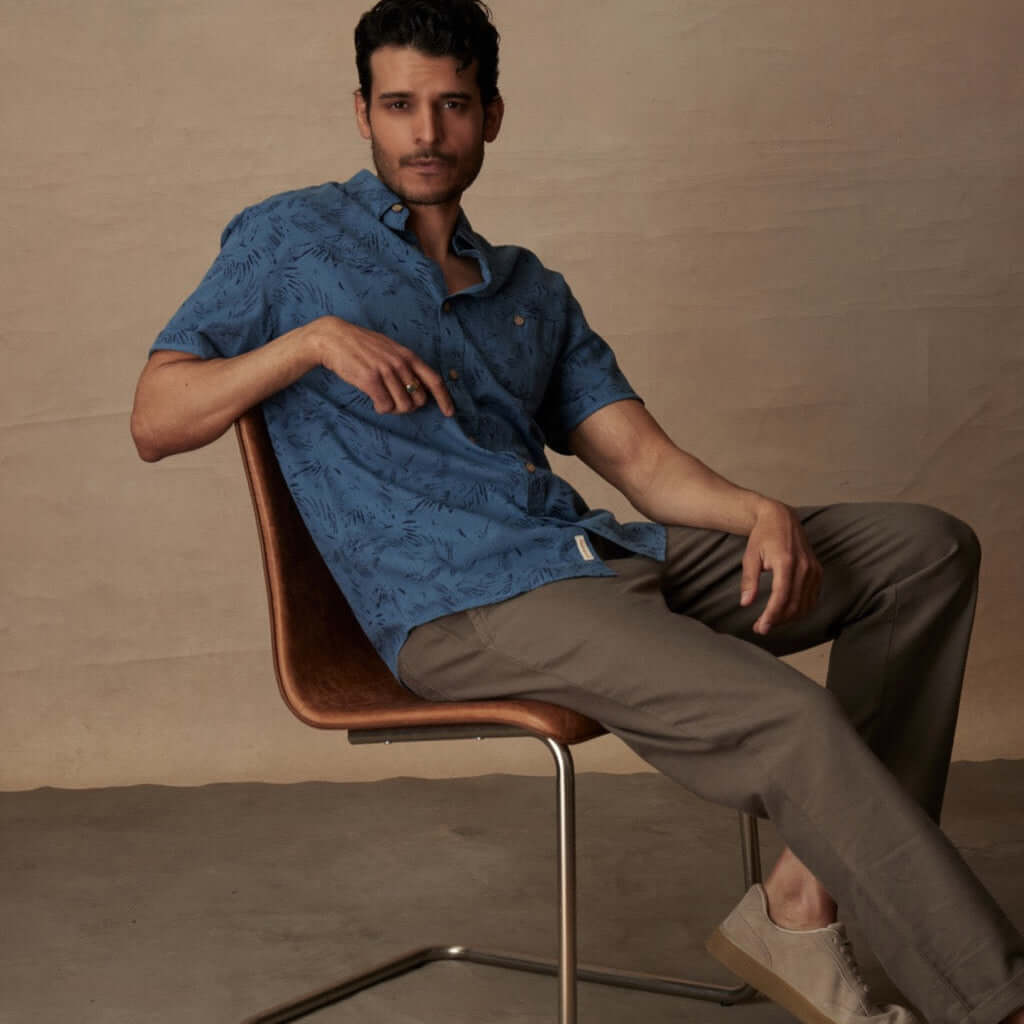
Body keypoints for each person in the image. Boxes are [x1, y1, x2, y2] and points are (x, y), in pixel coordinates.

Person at [130, 2, 1024, 1022]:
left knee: (923, 551)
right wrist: (307, 344)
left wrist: (755, 509)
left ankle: (803, 897)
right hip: (462, 604)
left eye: (451, 105)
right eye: (399, 106)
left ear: (492, 115)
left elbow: (637, 457)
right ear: (362, 114)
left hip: (589, 556)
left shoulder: (528, 291)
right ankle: (994, 1001)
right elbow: (155, 419)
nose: (425, 132)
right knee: (788, 715)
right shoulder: (290, 240)